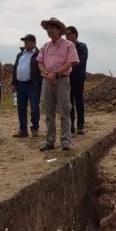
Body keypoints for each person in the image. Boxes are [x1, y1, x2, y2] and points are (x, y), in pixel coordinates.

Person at [37, 17, 79, 151]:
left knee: (64, 111)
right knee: (48, 112)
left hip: (61, 79)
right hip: (47, 81)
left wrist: (55, 73)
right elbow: (40, 62)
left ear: (59, 30)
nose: (49, 31)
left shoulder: (68, 45)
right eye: (48, 28)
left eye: (52, 28)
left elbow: (71, 61)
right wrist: (45, 73)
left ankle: (66, 141)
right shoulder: (45, 46)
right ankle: (49, 141)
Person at [12, 34, 42, 137]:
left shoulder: (38, 54)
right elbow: (15, 68)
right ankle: (23, 130)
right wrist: (14, 83)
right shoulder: (20, 55)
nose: (25, 43)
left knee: (34, 107)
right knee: (21, 108)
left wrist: (39, 82)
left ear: (34, 42)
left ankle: (35, 128)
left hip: (33, 84)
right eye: (24, 41)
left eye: (27, 41)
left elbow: (41, 69)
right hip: (20, 85)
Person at [65, 26, 88, 135]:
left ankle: (80, 125)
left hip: (78, 79)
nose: (67, 36)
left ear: (75, 34)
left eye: (69, 34)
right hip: (67, 79)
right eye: (66, 34)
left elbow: (79, 62)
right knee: (69, 104)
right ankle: (71, 127)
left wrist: (68, 68)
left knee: (78, 102)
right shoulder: (66, 48)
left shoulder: (82, 47)